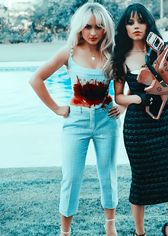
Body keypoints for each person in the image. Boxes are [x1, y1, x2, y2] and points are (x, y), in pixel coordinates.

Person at [29, 3, 123, 236]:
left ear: (105, 29)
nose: (93, 32)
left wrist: (121, 105)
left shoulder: (113, 53)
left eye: (99, 27)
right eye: (88, 27)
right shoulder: (68, 51)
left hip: (106, 121)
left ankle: (110, 227)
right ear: (80, 28)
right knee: (71, 177)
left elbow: (123, 87)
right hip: (76, 123)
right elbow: (36, 79)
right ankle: (65, 232)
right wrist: (56, 108)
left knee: (108, 174)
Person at [112, 3, 168, 236]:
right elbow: (118, 97)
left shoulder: (159, 51)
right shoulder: (121, 57)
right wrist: (137, 98)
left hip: (164, 123)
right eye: (130, 22)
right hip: (137, 129)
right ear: (124, 27)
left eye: (140, 21)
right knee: (141, 182)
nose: (136, 27)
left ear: (148, 24)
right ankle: (139, 232)